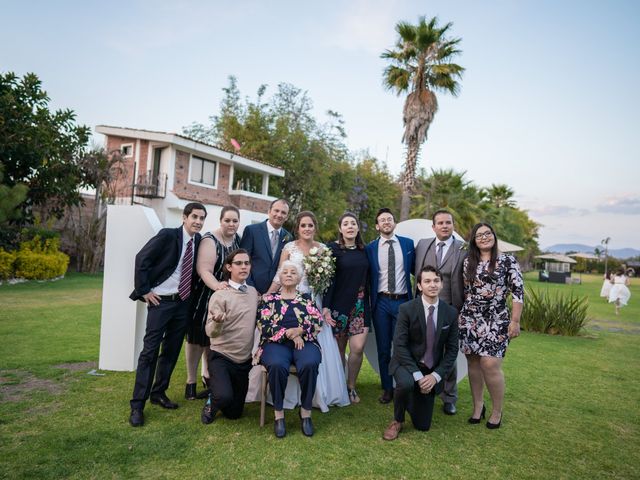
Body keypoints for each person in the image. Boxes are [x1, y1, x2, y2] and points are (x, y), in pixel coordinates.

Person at [128, 202, 207, 427]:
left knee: (171, 351)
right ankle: (137, 405)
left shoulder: (200, 242)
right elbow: (142, 258)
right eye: (194, 217)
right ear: (184, 217)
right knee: (149, 352)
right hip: (160, 301)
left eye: (202, 218)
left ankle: (159, 392)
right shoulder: (167, 236)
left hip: (183, 304)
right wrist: (144, 290)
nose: (198, 222)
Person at [382, 265, 459, 441]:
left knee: (423, 425)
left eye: (436, 281)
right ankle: (397, 420)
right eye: (427, 281)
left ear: (441, 284)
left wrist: (435, 376)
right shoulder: (406, 309)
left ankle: (412, 399)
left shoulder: (451, 313)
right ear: (419, 286)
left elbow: (452, 350)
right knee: (407, 383)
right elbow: (400, 345)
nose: (432, 285)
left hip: (431, 368)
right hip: (406, 363)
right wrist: (417, 376)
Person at [459, 222, 524, 429]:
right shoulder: (469, 261)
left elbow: (518, 293)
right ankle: (478, 406)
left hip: (497, 318)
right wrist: (465, 317)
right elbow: (467, 290)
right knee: (474, 363)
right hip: (470, 318)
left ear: (494, 236)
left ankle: (497, 411)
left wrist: (515, 321)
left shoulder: (508, 261)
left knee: (490, 363)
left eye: (487, 233)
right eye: (479, 235)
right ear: (474, 241)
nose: (484, 237)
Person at [257, 261, 322, 437]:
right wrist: (290, 333)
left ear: (299, 278)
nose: (288, 275)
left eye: (293, 272)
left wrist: (301, 330)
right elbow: (263, 325)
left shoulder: (307, 299)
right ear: (279, 277)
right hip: (275, 343)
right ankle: (279, 414)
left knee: (309, 363)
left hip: (305, 342)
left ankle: (306, 412)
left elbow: (317, 321)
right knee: (277, 365)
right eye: (285, 272)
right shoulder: (269, 300)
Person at [185, 206, 241, 400]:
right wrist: (217, 286)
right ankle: (190, 382)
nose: (231, 224)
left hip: (225, 298)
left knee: (213, 339)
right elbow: (204, 270)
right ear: (220, 221)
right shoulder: (210, 240)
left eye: (235, 221)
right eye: (227, 220)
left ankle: (208, 377)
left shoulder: (237, 240)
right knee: (197, 339)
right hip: (205, 295)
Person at [414, 209, 466, 415]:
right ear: (433, 226)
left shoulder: (462, 249)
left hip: (450, 309)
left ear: (453, 225)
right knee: (420, 351)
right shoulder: (422, 245)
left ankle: (449, 397)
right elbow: (415, 274)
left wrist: (461, 310)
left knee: (448, 355)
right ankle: (421, 390)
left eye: (448, 222)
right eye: (441, 223)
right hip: (422, 307)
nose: (445, 226)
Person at [201, 249, 259, 424]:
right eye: (239, 263)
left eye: (247, 263)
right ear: (229, 267)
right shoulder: (220, 295)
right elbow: (210, 332)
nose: (244, 267)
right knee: (224, 397)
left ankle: (220, 393)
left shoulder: (253, 292)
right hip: (222, 356)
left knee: (234, 414)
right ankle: (212, 402)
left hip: (243, 361)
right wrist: (217, 322)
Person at [365, 208, 415, 404]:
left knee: (401, 347)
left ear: (394, 223)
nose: (386, 222)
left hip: (403, 301)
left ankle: (402, 385)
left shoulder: (408, 244)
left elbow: (417, 271)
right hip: (381, 303)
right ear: (377, 226)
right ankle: (387, 388)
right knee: (384, 348)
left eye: (389, 219)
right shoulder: (371, 248)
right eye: (382, 220)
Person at [323, 212, 371, 404]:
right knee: (339, 349)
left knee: (357, 347)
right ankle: (338, 386)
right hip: (338, 306)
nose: (350, 226)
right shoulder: (331, 249)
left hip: (360, 305)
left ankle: (351, 386)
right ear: (340, 228)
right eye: (346, 224)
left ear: (358, 228)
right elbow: (327, 281)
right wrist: (326, 306)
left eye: (353, 223)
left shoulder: (365, 250)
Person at [239, 198, 291, 294]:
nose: (279, 215)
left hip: (275, 293)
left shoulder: (288, 237)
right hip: (250, 290)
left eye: (283, 213)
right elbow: (243, 262)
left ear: (287, 217)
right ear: (269, 211)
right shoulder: (252, 231)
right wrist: (251, 288)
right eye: (276, 210)